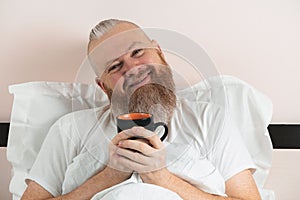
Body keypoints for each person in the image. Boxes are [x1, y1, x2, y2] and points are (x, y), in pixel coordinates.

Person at [21, 19, 262, 200]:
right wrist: (108, 176)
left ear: (159, 53)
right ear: (103, 86)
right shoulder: (70, 129)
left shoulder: (210, 119)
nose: (133, 68)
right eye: (115, 66)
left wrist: (162, 178)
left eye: (137, 52)